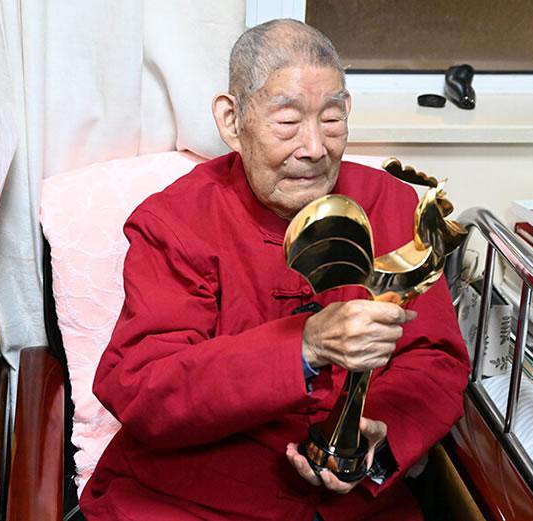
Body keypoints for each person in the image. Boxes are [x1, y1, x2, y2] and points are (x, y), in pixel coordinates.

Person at [80, 19, 470, 521]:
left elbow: (435, 359)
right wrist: (303, 346)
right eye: (287, 122)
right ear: (231, 120)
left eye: (332, 120)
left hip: (353, 506)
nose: (314, 148)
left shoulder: (392, 205)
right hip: (195, 499)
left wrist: (376, 435)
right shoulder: (176, 222)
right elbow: (143, 387)